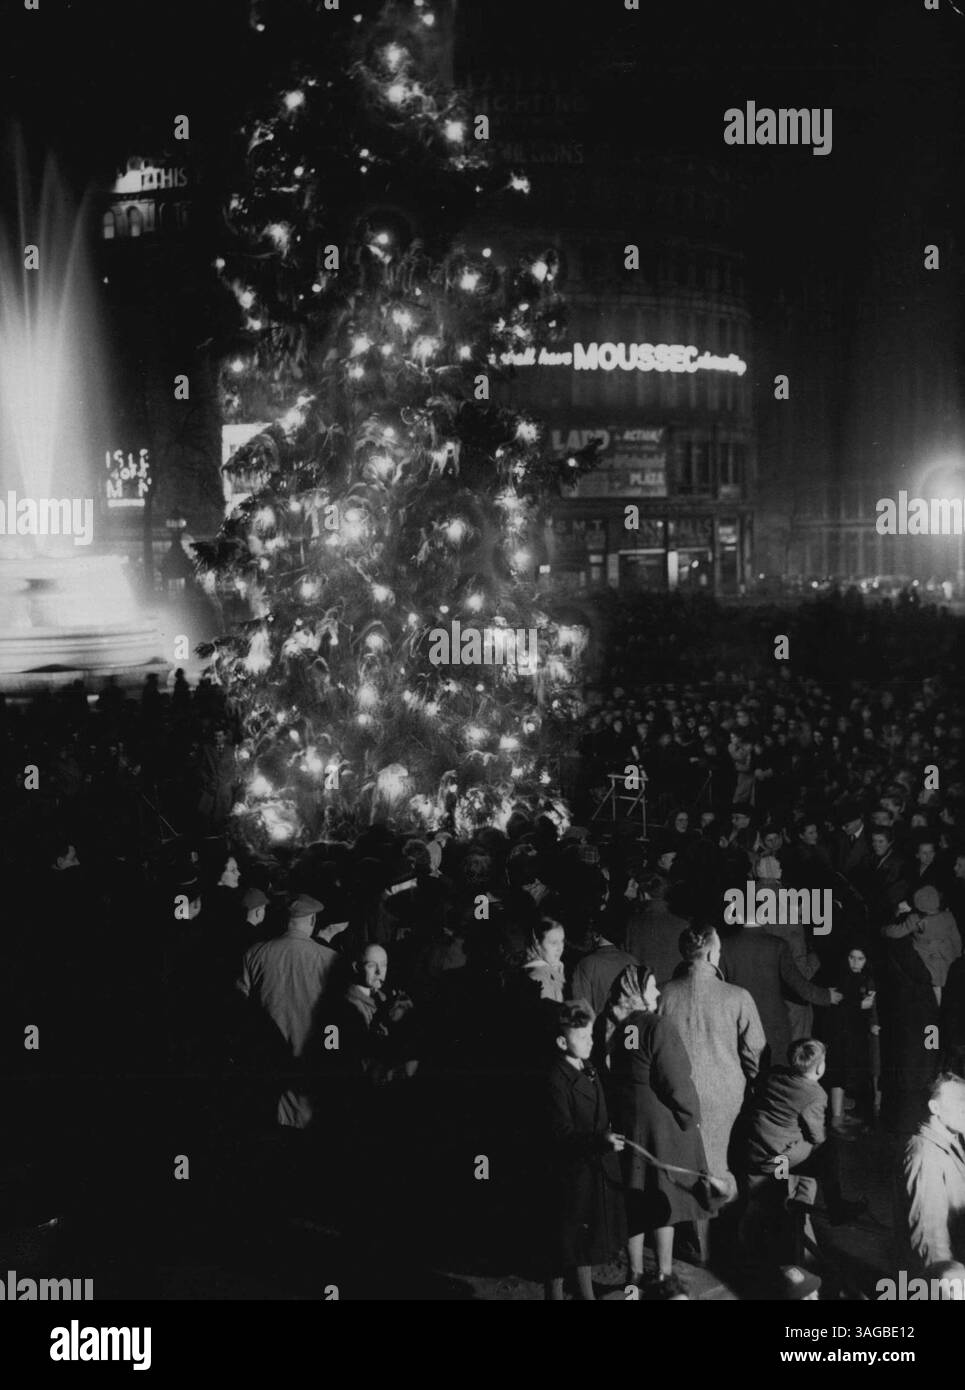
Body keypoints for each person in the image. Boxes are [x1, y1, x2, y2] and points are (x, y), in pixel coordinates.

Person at [603, 963, 711, 1298]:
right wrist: (691, 1115)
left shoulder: (619, 1027)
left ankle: (634, 1273)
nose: (657, 993)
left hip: (630, 1122)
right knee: (664, 1201)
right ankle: (663, 1274)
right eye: (651, 988)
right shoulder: (657, 1026)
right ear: (637, 991)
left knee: (635, 1199)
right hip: (662, 1125)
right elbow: (675, 1081)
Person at [660, 925, 765, 1260]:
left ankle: (696, 1241)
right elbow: (755, 1051)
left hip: (676, 1094)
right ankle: (723, 1241)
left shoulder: (663, 994)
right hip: (726, 1094)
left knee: (689, 1165)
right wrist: (751, 1082)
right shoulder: (737, 996)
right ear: (709, 954)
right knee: (720, 1161)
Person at [543, 1000, 627, 1301]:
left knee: (584, 1244)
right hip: (572, 1174)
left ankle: (585, 1294)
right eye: (582, 1037)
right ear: (562, 1041)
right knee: (565, 1247)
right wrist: (599, 1141)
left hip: (592, 1169)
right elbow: (560, 1134)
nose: (590, 1042)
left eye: (591, 1035)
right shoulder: (555, 1078)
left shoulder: (587, 1066)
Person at [235, 893, 339, 1128]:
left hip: (266, 1061)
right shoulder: (330, 959)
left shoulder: (254, 953)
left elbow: (241, 1007)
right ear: (312, 921)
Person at [744, 1038, 865, 1226]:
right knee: (828, 1151)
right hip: (779, 1159)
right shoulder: (815, 1095)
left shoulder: (774, 1074)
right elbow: (817, 1137)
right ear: (819, 1069)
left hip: (756, 1149)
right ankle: (836, 1209)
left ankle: (791, 1201)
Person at [720, 904, 841, 1067]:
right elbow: (797, 984)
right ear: (763, 917)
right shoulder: (777, 945)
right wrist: (826, 996)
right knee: (774, 1076)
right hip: (774, 1027)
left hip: (738, 1022)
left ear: (738, 917)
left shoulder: (725, 945)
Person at [899, 1072, 965, 1272]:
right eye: (959, 1102)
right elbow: (929, 1234)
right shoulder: (924, 1155)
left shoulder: (951, 1139)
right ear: (934, 1107)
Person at [818, 943, 880, 1131]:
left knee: (844, 1073)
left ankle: (840, 1115)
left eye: (860, 958)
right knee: (839, 1073)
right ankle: (837, 1119)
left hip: (854, 1034)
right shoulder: (840, 976)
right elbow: (835, 1007)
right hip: (840, 1033)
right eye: (851, 957)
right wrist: (859, 1006)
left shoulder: (863, 977)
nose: (855, 962)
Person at [883, 886, 961, 1007]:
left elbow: (897, 932)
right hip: (947, 958)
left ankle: (936, 1014)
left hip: (928, 962)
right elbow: (956, 939)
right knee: (947, 989)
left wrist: (884, 929)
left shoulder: (915, 919)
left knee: (935, 992)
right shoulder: (948, 916)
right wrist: (957, 955)